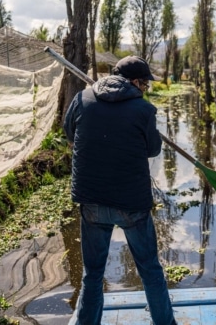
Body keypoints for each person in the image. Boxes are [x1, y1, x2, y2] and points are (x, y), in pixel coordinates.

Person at [63, 56, 177, 325]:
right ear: (135, 82)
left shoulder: (82, 98)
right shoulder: (143, 110)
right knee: (150, 270)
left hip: (91, 201)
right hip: (131, 205)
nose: (146, 89)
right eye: (145, 84)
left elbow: (70, 133)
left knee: (92, 274)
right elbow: (152, 150)